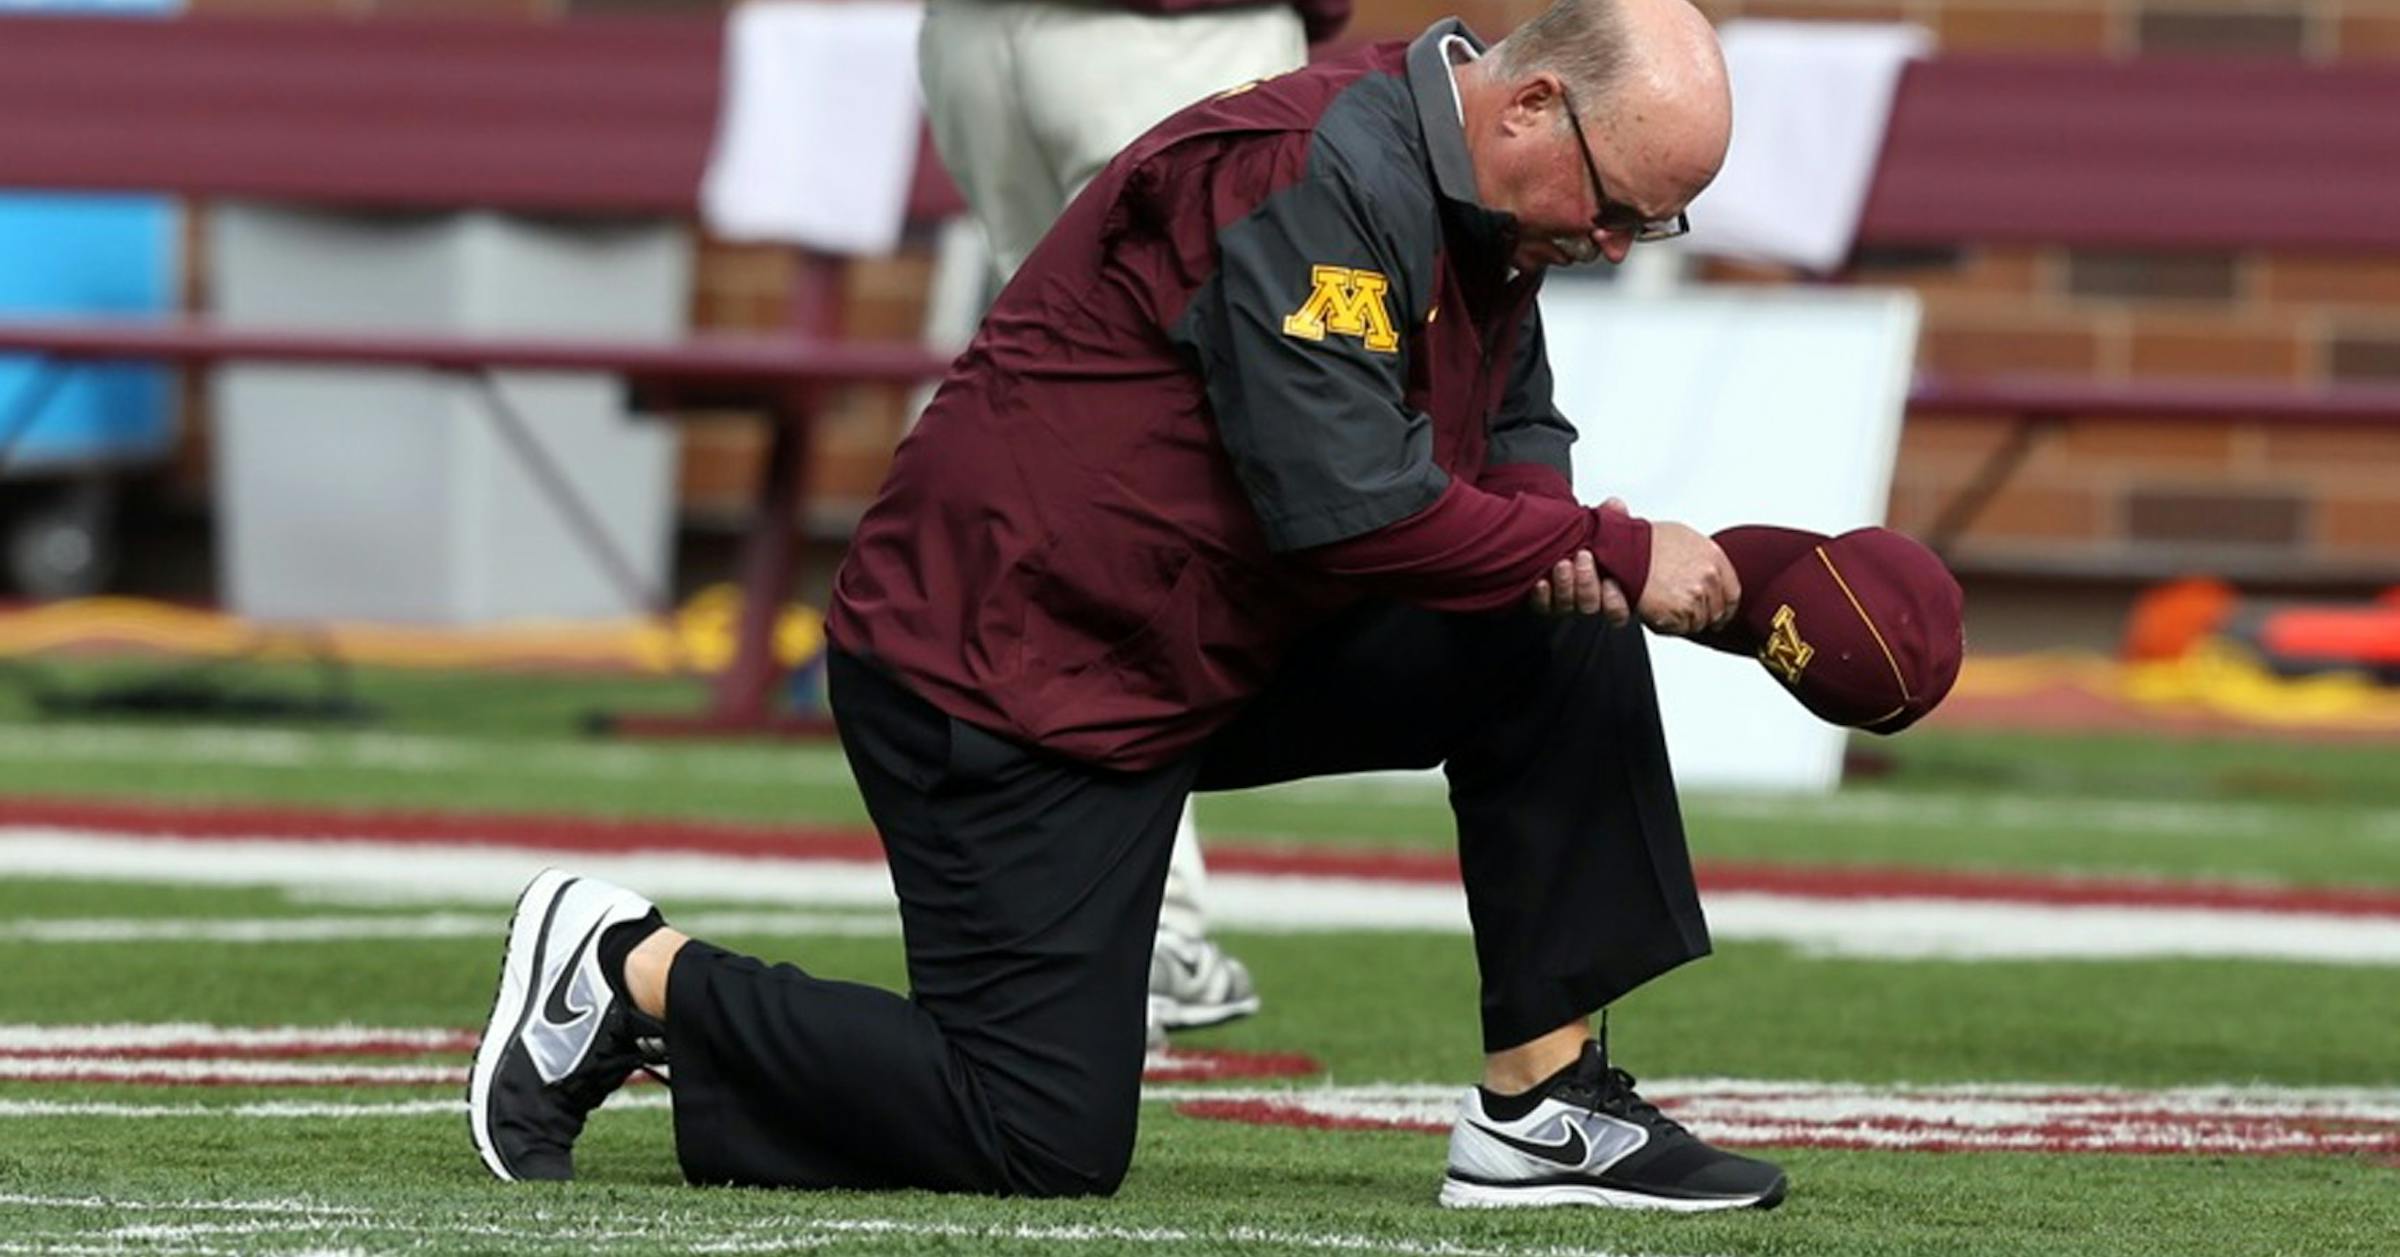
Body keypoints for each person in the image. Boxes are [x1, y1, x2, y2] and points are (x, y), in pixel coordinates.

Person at [472, 0, 1790, 1210]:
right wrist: (1612, 547)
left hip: (1188, 633)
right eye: (1618, 209)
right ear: (1532, 104)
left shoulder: (1488, 190)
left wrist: (1579, 550)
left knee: (1557, 623)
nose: (1613, 245)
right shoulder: (1310, 175)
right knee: (1038, 1134)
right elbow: (1348, 502)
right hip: (1009, 662)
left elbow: (1512, 424)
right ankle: (624, 972)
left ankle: (1543, 1108)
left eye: (1649, 225)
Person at [917, 0, 1356, 1038]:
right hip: (1170, 32)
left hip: (977, 37)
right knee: (1168, 447)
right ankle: (1135, 923)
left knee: (1061, 417)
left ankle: (1069, 905)